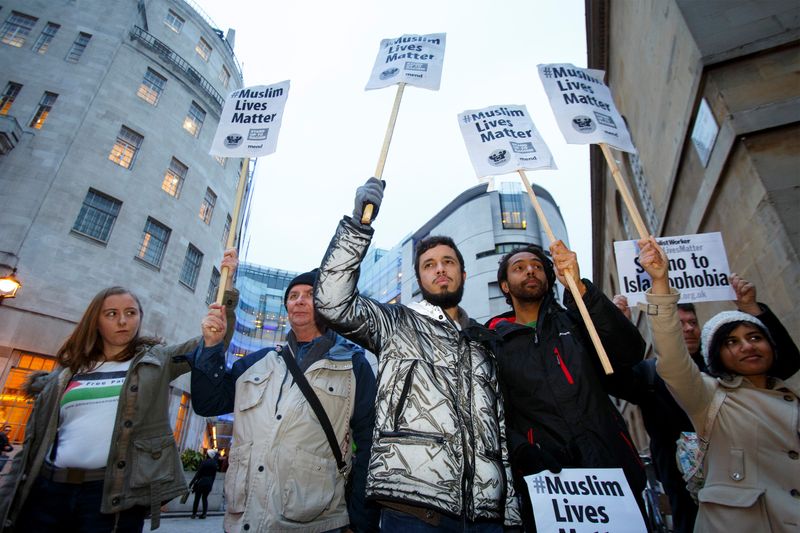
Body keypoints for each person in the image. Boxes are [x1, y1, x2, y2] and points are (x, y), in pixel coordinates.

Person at [314, 178, 520, 531]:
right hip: (412, 509)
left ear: (463, 273)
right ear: (419, 279)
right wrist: (357, 225)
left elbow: (500, 434)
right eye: (429, 265)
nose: (440, 269)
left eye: (448, 262)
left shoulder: (484, 343)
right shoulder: (396, 324)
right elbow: (332, 301)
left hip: (486, 518)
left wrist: (511, 515)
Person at [0, 251, 238, 533]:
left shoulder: (157, 361)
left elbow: (210, 343)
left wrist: (228, 292)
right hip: (48, 491)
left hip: (111, 498)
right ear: (96, 320)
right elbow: (32, 445)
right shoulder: (65, 374)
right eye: (112, 314)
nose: (123, 321)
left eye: (131, 313)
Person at [190, 268, 379, 533]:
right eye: (293, 295)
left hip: (317, 524)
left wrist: (360, 524)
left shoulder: (353, 366)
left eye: (310, 295)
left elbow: (371, 445)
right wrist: (211, 346)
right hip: (245, 522)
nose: (299, 300)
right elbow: (207, 402)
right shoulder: (257, 363)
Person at [637, 236, 799, 533]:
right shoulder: (710, 398)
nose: (747, 347)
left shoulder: (790, 400)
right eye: (732, 342)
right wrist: (660, 285)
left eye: (755, 337)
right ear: (716, 355)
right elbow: (672, 358)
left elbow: (790, 360)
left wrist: (751, 307)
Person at [486, 244, 647, 531]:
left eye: (536, 265)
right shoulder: (494, 343)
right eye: (519, 268)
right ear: (504, 286)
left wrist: (581, 290)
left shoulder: (577, 319)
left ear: (548, 277)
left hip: (612, 467)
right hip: (550, 484)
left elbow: (628, 351)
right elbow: (491, 413)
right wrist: (525, 453)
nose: (530, 271)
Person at [189, 448, 219, 519]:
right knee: (205, 498)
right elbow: (213, 477)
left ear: (208, 455)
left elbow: (198, 474)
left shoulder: (204, 462)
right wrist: (211, 485)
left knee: (197, 498)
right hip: (209, 484)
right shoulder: (215, 464)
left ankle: (194, 514)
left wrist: (191, 483)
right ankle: (204, 513)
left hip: (201, 483)